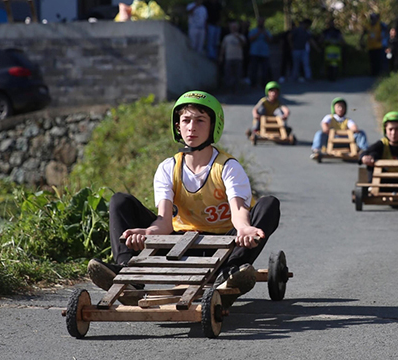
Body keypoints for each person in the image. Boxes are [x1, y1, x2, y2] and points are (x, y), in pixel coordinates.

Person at [87, 91, 281, 308]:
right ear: (177, 126)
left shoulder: (228, 167)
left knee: (269, 204)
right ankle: (127, 272)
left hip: (226, 246)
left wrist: (245, 229)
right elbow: (164, 221)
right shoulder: (168, 168)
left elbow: (238, 210)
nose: (192, 127)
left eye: (200, 120)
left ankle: (231, 272)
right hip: (180, 245)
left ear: (213, 126)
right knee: (120, 201)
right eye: (186, 120)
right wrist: (146, 233)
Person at [219, 21, 246, 92]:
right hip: (229, 58)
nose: (233, 29)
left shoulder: (241, 36)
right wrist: (221, 56)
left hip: (238, 58)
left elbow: (244, 45)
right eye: (232, 27)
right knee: (228, 74)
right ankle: (228, 89)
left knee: (238, 75)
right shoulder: (227, 37)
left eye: (235, 27)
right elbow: (223, 48)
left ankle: (237, 89)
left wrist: (238, 37)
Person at [248, 17, 272, 88]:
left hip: (264, 53)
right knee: (254, 69)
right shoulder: (253, 31)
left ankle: (264, 84)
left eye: (262, 22)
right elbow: (250, 39)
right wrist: (258, 33)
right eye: (260, 22)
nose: (261, 23)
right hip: (254, 53)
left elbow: (270, 40)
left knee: (264, 70)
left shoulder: (266, 31)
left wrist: (264, 33)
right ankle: (253, 84)